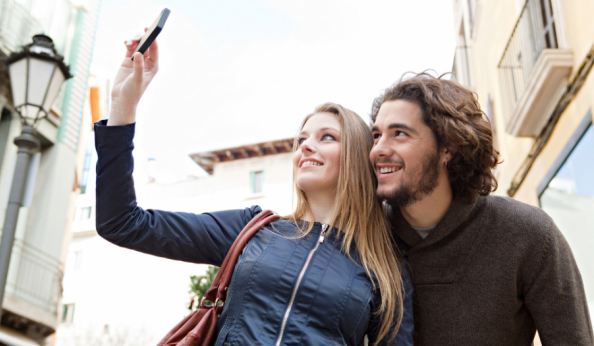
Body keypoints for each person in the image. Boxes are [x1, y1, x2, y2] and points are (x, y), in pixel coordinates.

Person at [93, 31, 414, 345]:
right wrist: (124, 107)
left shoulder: (386, 270)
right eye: (301, 140)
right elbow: (122, 223)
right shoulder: (255, 229)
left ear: (358, 156)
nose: (305, 147)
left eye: (326, 137)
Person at [369, 71, 594, 346]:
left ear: (447, 148)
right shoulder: (366, 238)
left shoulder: (528, 234)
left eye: (399, 133)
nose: (378, 149)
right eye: (377, 135)